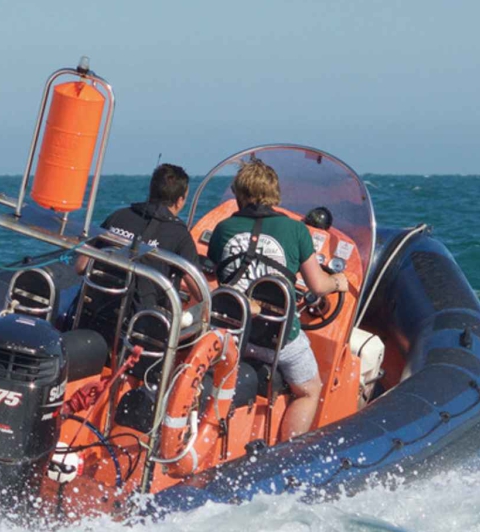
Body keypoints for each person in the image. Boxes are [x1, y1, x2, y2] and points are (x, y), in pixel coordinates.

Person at [207, 159, 347, 441]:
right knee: (309, 390)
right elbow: (317, 285)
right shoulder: (296, 231)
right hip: (276, 339)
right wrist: (338, 282)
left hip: (231, 334)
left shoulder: (223, 229)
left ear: (241, 194)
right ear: (274, 194)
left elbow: (215, 277)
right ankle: (286, 455)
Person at [74, 163, 202, 340]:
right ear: (180, 200)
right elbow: (199, 291)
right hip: (138, 329)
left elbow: (80, 266)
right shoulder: (180, 235)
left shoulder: (118, 216)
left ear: (151, 190)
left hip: (93, 312)